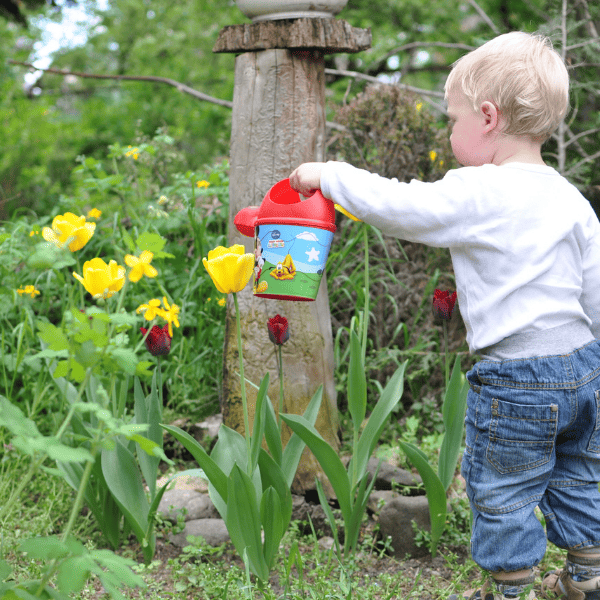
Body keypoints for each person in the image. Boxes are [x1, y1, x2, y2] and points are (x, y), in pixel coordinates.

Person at [289, 31, 600, 600]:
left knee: (503, 489)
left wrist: (327, 175)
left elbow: (401, 206)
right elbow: (596, 290)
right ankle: (587, 575)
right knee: (580, 476)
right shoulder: (568, 197)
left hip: (518, 375)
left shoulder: (479, 190)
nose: (448, 130)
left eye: (452, 119)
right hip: (582, 367)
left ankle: (511, 591)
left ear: (488, 117)